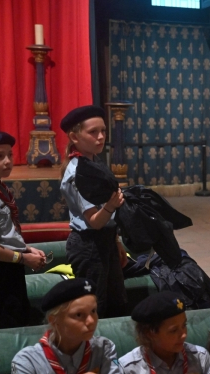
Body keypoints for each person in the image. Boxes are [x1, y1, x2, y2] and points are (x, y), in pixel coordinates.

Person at [0, 130, 46, 329]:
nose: (7, 161)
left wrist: (25, 248)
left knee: (20, 319)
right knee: (7, 327)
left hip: (7, 263)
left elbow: (3, 235)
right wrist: (22, 258)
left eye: (10, 155)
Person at [59, 105, 128, 318]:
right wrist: (112, 205)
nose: (100, 137)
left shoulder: (93, 161)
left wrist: (115, 241)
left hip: (104, 240)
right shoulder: (78, 172)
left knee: (117, 305)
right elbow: (95, 222)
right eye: (93, 132)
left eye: (103, 131)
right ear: (74, 136)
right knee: (97, 310)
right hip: (89, 245)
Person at [11, 279, 123, 374]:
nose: (91, 321)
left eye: (93, 311)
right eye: (79, 315)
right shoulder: (27, 360)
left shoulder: (104, 348)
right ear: (54, 320)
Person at [119, 291, 210, 374]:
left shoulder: (200, 357)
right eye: (173, 330)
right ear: (150, 333)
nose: (183, 334)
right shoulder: (129, 367)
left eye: (184, 325)